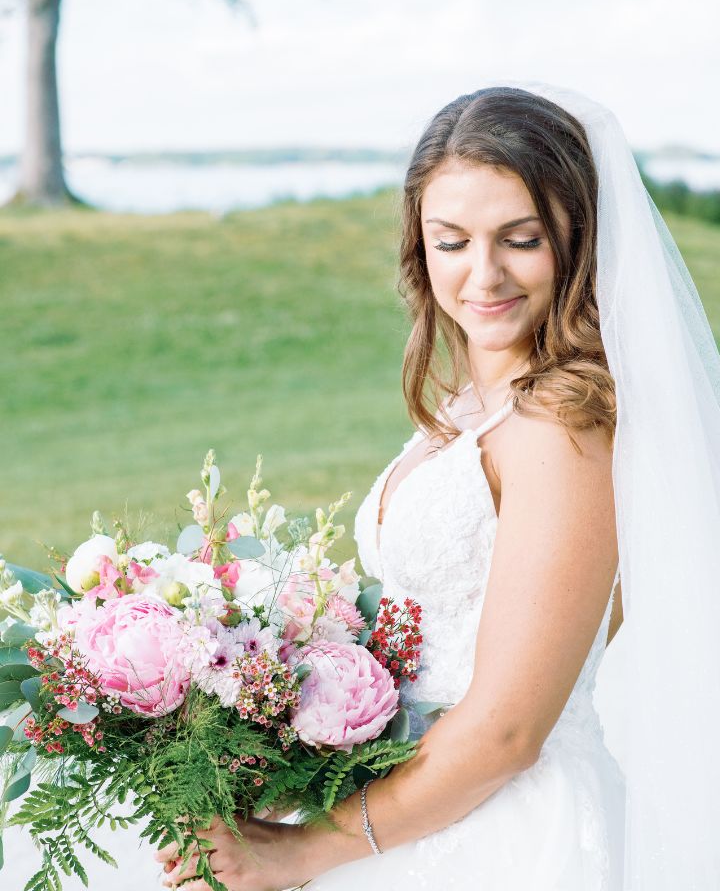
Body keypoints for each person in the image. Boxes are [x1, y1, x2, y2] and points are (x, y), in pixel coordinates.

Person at [155, 83, 720, 891]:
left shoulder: (564, 430)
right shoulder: (467, 409)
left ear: (577, 239)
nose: (483, 274)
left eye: (520, 239)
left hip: (505, 831)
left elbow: (510, 730)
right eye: (450, 240)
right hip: (412, 808)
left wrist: (303, 850)